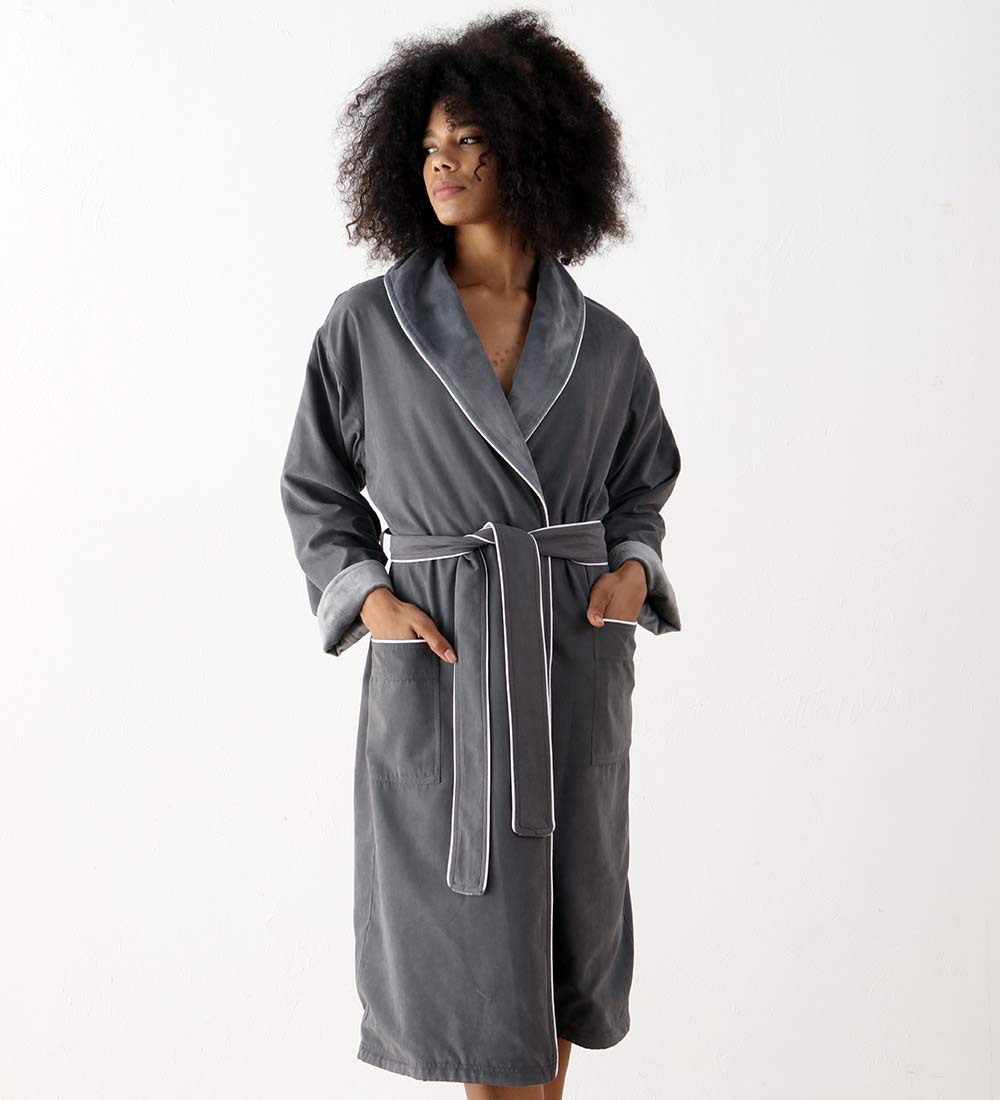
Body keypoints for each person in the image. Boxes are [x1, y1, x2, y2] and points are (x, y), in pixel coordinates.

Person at [280, 10, 682, 1097]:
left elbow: (643, 484)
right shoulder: (368, 325)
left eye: (469, 140)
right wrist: (371, 600)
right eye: (427, 145)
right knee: (468, 972)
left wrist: (631, 573)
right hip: (444, 662)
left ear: (532, 147)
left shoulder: (605, 343)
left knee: (561, 948)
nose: (443, 164)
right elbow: (317, 489)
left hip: (568, 656)